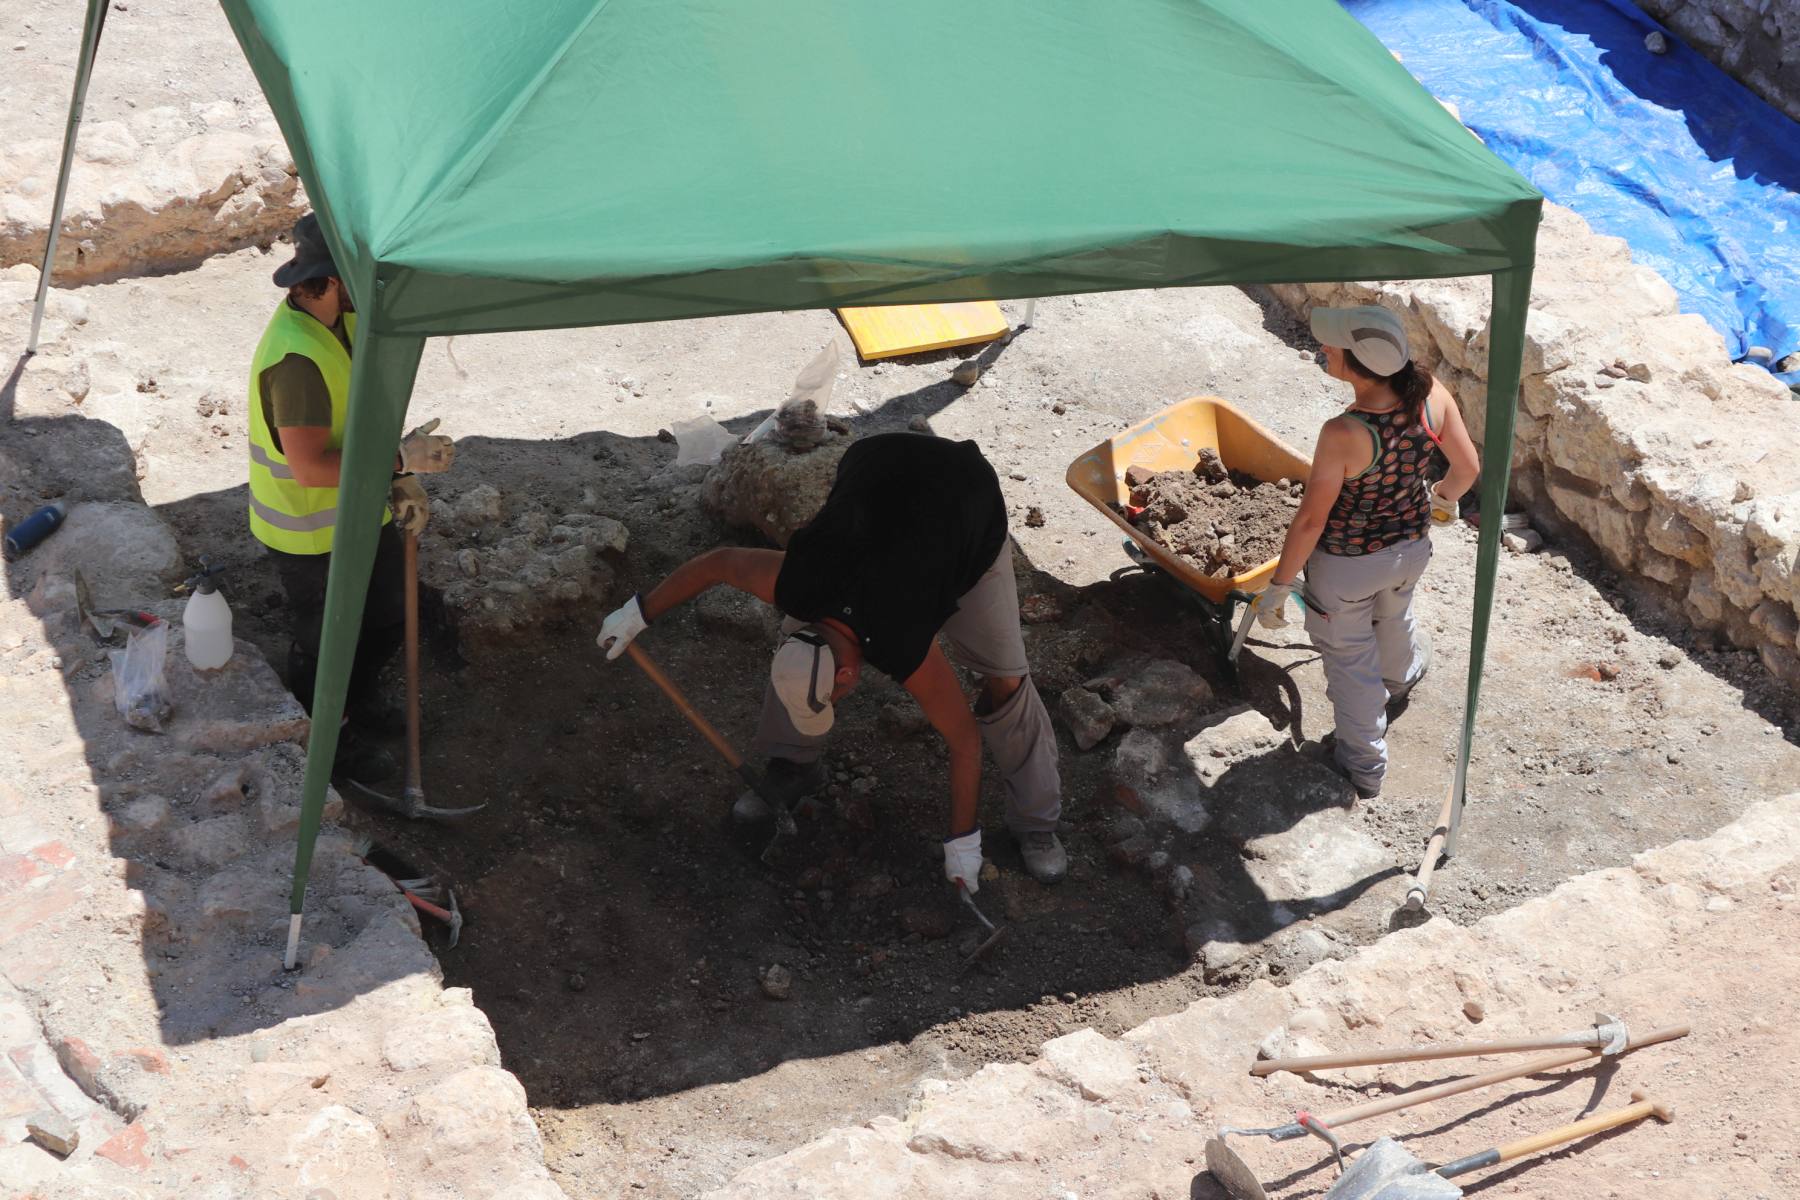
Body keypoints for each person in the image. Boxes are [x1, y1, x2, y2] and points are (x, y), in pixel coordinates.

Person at [596, 432, 1067, 889]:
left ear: (848, 675)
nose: (839, 699)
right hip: (877, 469)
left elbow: (964, 741)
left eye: (834, 697)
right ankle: (793, 765)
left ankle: (1036, 822)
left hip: (967, 501)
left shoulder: (900, 638)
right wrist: (637, 612)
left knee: (1005, 678)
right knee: (803, 639)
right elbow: (718, 562)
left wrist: (962, 841)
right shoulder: (799, 584)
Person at [247, 213, 455, 779]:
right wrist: (401, 461)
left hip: (360, 509)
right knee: (326, 641)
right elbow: (311, 468)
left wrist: (395, 476)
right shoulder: (296, 362)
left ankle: (357, 699)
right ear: (335, 279)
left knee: (387, 617)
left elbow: (365, 406)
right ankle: (329, 742)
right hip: (307, 530)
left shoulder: (349, 314)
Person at [1251, 304, 1480, 800]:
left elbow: (1312, 520)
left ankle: (1363, 769)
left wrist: (1280, 585)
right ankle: (1401, 677)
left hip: (1346, 568)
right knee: (1395, 616)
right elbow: (1466, 469)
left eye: (1333, 347)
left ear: (1360, 365)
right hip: (1411, 549)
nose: (1324, 348)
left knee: (1350, 660)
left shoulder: (1344, 433)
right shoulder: (1432, 395)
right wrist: (1442, 502)